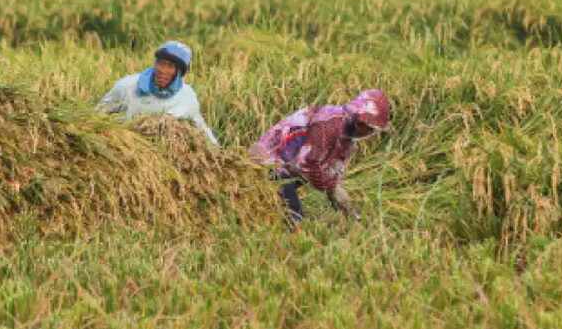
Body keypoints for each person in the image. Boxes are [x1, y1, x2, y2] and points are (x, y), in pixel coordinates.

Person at [249, 89, 390, 226]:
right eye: (368, 127)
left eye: (373, 129)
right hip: (266, 160)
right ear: (357, 119)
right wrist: (332, 188)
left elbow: (332, 174)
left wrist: (349, 212)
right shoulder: (328, 124)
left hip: (289, 167)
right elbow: (306, 164)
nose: (370, 132)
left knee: (295, 183)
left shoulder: (347, 141)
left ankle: (275, 213)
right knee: (293, 210)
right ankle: (293, 229)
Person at [97, 40, 218, 145]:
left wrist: (219, 154)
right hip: (127, 145)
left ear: (179, 72)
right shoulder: (127, 86)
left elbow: (202, 129)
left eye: (170, 66)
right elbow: (98, 114)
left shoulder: (187, 97)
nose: (162, 70)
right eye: (160, 63)